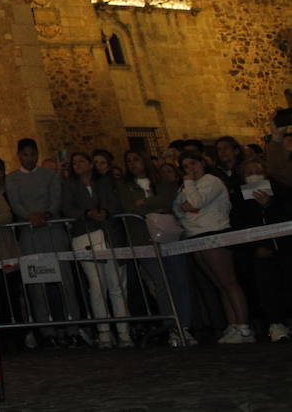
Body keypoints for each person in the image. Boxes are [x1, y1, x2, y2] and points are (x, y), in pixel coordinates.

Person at [5, 137, 85, 347]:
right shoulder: (12, 179)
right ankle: (46, 329)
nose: (29, 158)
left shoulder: (50, 176)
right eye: (25, 154)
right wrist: (29, 216)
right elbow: (15, 203)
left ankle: (72, 326)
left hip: (53, 230)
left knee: (64, 279)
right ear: (19, 156)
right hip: (29, 232)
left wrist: (47, 213)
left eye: (33, 154)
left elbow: (55, 198)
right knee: (36, 282)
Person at [175, 152, 254, 344]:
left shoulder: (212, 181)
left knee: (228, 281)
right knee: (219, 284)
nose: (190, 169)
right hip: (195, 235)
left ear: (202, 162)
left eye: (193, 163)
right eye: (185, 166)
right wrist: (188, 201)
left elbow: (194, 203)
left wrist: (189, 187)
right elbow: (178, 209)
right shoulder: (185, 186)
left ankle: (244, 327)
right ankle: (233, 324)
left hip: (214, 233)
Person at [116, 149, 192, 347]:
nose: (133, 164)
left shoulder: (159, 181)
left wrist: (146, 203)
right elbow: (130, 207)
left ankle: (185, 326)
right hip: (144, 239)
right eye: (129, 160)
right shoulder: (125, 186)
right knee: (162, 283)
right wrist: (151, 206)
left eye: (136, 159)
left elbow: (168, 199)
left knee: (180, 280)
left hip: (170, 236)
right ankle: (171, 326)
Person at [62, 151, 132, 347]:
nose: (77, 165)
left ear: (90, 163)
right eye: (74, 163)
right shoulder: (69, 185)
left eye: (81, 161)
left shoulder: (105, 182)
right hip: (85, 235)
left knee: (116, 284)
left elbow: (116, 202)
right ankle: (103, 332)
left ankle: (124, 331)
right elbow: (67, 208)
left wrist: (106, 212)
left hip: (109, 235)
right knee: (96, 285)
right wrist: (86, 213)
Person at [227, 155, 292, 343]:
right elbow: (239, 224)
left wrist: (269, 205)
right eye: (249, 173)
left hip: (286, 248)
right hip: (261, 252)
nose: (254, 176)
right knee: (269, 288)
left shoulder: (281, 190)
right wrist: (257, 246)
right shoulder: (238, 198)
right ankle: (276, 324)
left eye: (258, 172)